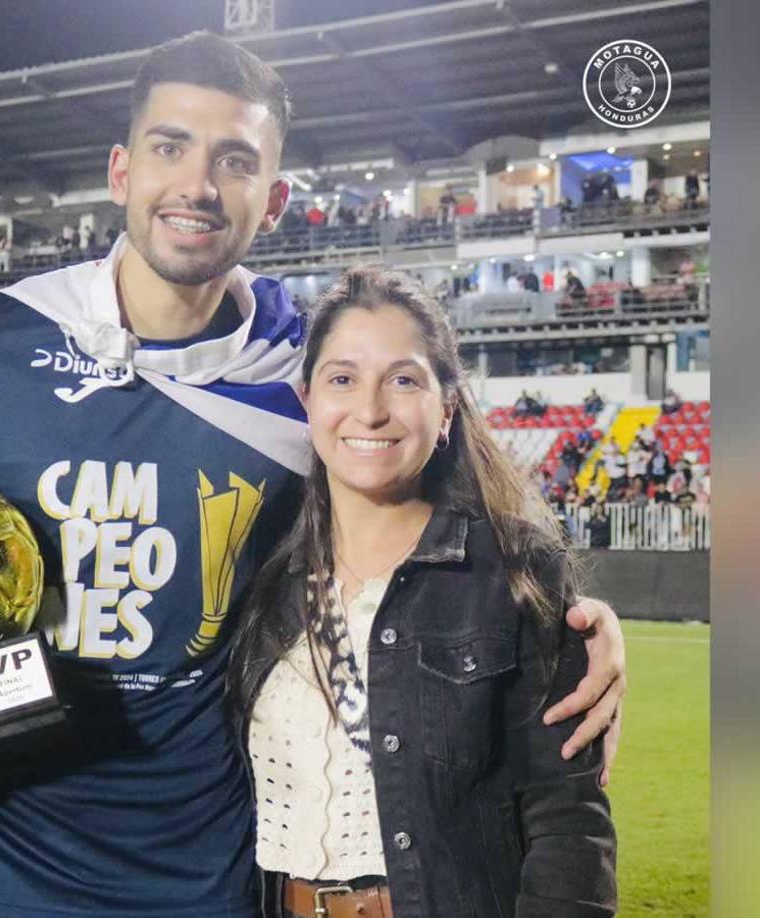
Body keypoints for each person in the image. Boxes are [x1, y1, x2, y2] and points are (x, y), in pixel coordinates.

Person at [0, 32, 627, 918]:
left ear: (274, 199)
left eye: (234, 160)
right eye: (171, 147)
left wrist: (576, 629)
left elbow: (450, 523)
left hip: (201, 880)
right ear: (121, 170)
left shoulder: (309, 371)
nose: (198, 185)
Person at [227, 268, 615, 917]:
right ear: (307, 401)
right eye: (342, 378)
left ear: (447, 410)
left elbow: (568, 822)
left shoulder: (514, 571)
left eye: (404, 379)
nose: (371, 409)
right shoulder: (254, 572)